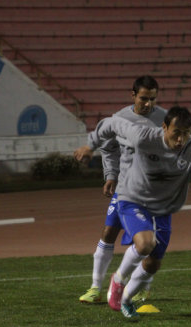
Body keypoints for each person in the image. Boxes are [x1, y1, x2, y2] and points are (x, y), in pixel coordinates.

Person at [88, 106, 191, 320]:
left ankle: (126, 300)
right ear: (164, 127)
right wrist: (90, 144)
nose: (181, 139)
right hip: (133, 199)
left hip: (162, 208)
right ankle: (117, 279)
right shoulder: (143, 136)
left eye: (186, 133)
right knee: (145, 244)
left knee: (153, 263)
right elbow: (111, 123)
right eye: (176, 132)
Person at [74, 75, 167, 304]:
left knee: (150, 241)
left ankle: (143, 287)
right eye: (144, 98)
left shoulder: (165, 118)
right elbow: (108, 148)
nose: (148, 104)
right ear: (132, 95)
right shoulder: (119, 119)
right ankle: (95, 287)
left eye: (153, 99)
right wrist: (111, 176)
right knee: (108, 233)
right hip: (125, 188)